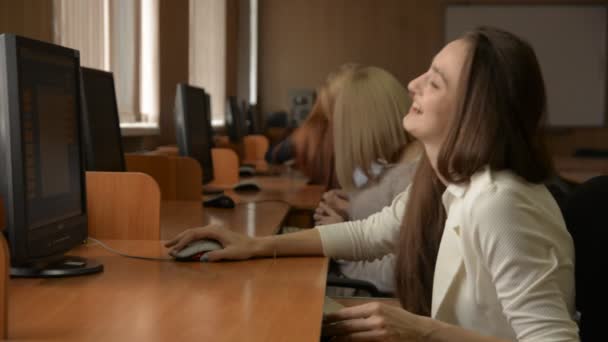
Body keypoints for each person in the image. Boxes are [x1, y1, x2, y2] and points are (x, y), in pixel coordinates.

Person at [166, 27, 578, 341]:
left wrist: (423, 331)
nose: (413, 84)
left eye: (434, 82)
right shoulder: (450, 184)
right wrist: (256, 245)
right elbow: (370, 233)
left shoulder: (500, 203)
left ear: (474, 114)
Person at [313, 66, 421, 295]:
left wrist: (342, 248)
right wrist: (349, 209)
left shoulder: (409, 176)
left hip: (369, 296)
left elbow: (400, 274)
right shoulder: (392, 164)